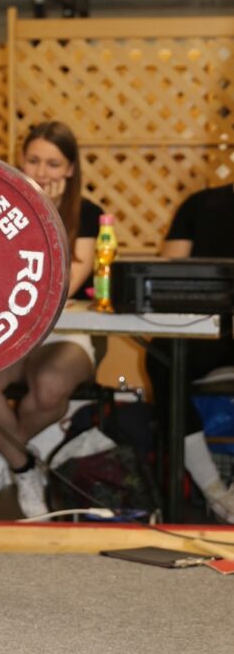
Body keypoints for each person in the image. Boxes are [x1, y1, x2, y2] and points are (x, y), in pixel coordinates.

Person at [0, 121, 103, 518]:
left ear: (71, 169)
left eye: (54, 164)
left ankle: (5, 456)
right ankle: (24, 468)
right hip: (13, 330)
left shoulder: (88, 214)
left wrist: (50, 213)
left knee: (50, 387)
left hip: (67, 335)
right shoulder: (2, 211)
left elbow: (66, 285)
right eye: (34, 160)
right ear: (21, 160)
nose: (42, 172)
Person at [145, 183, 234, 523]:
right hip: (207, 328)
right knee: (161, 357)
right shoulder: (200, 204)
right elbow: (170, 270)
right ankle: (213, 489)